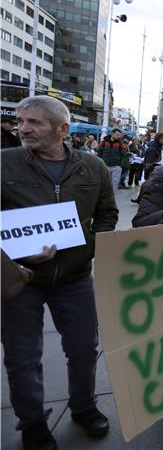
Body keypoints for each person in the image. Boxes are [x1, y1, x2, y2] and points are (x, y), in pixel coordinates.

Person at [1, 96, 118, 450]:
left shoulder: (93, 167)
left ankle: (84, 407)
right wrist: (18, 252)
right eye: (21, 121)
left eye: (34, 123)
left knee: (83, 349)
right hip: (21, 280)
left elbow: (108, 215)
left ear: (62, 129)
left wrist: (86, 246)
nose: (23, 128)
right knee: (23, 357)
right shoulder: (4, 164)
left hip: (75, 278)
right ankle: (32, 424)